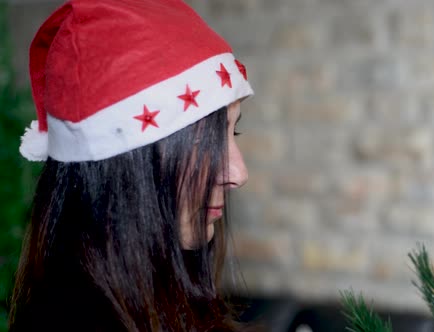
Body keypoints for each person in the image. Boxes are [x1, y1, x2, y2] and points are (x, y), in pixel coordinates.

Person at [9, 0, 254, 331]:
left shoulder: (157, 302)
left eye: (233, 130)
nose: (238, 173)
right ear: (123, 167)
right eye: (202, 142)